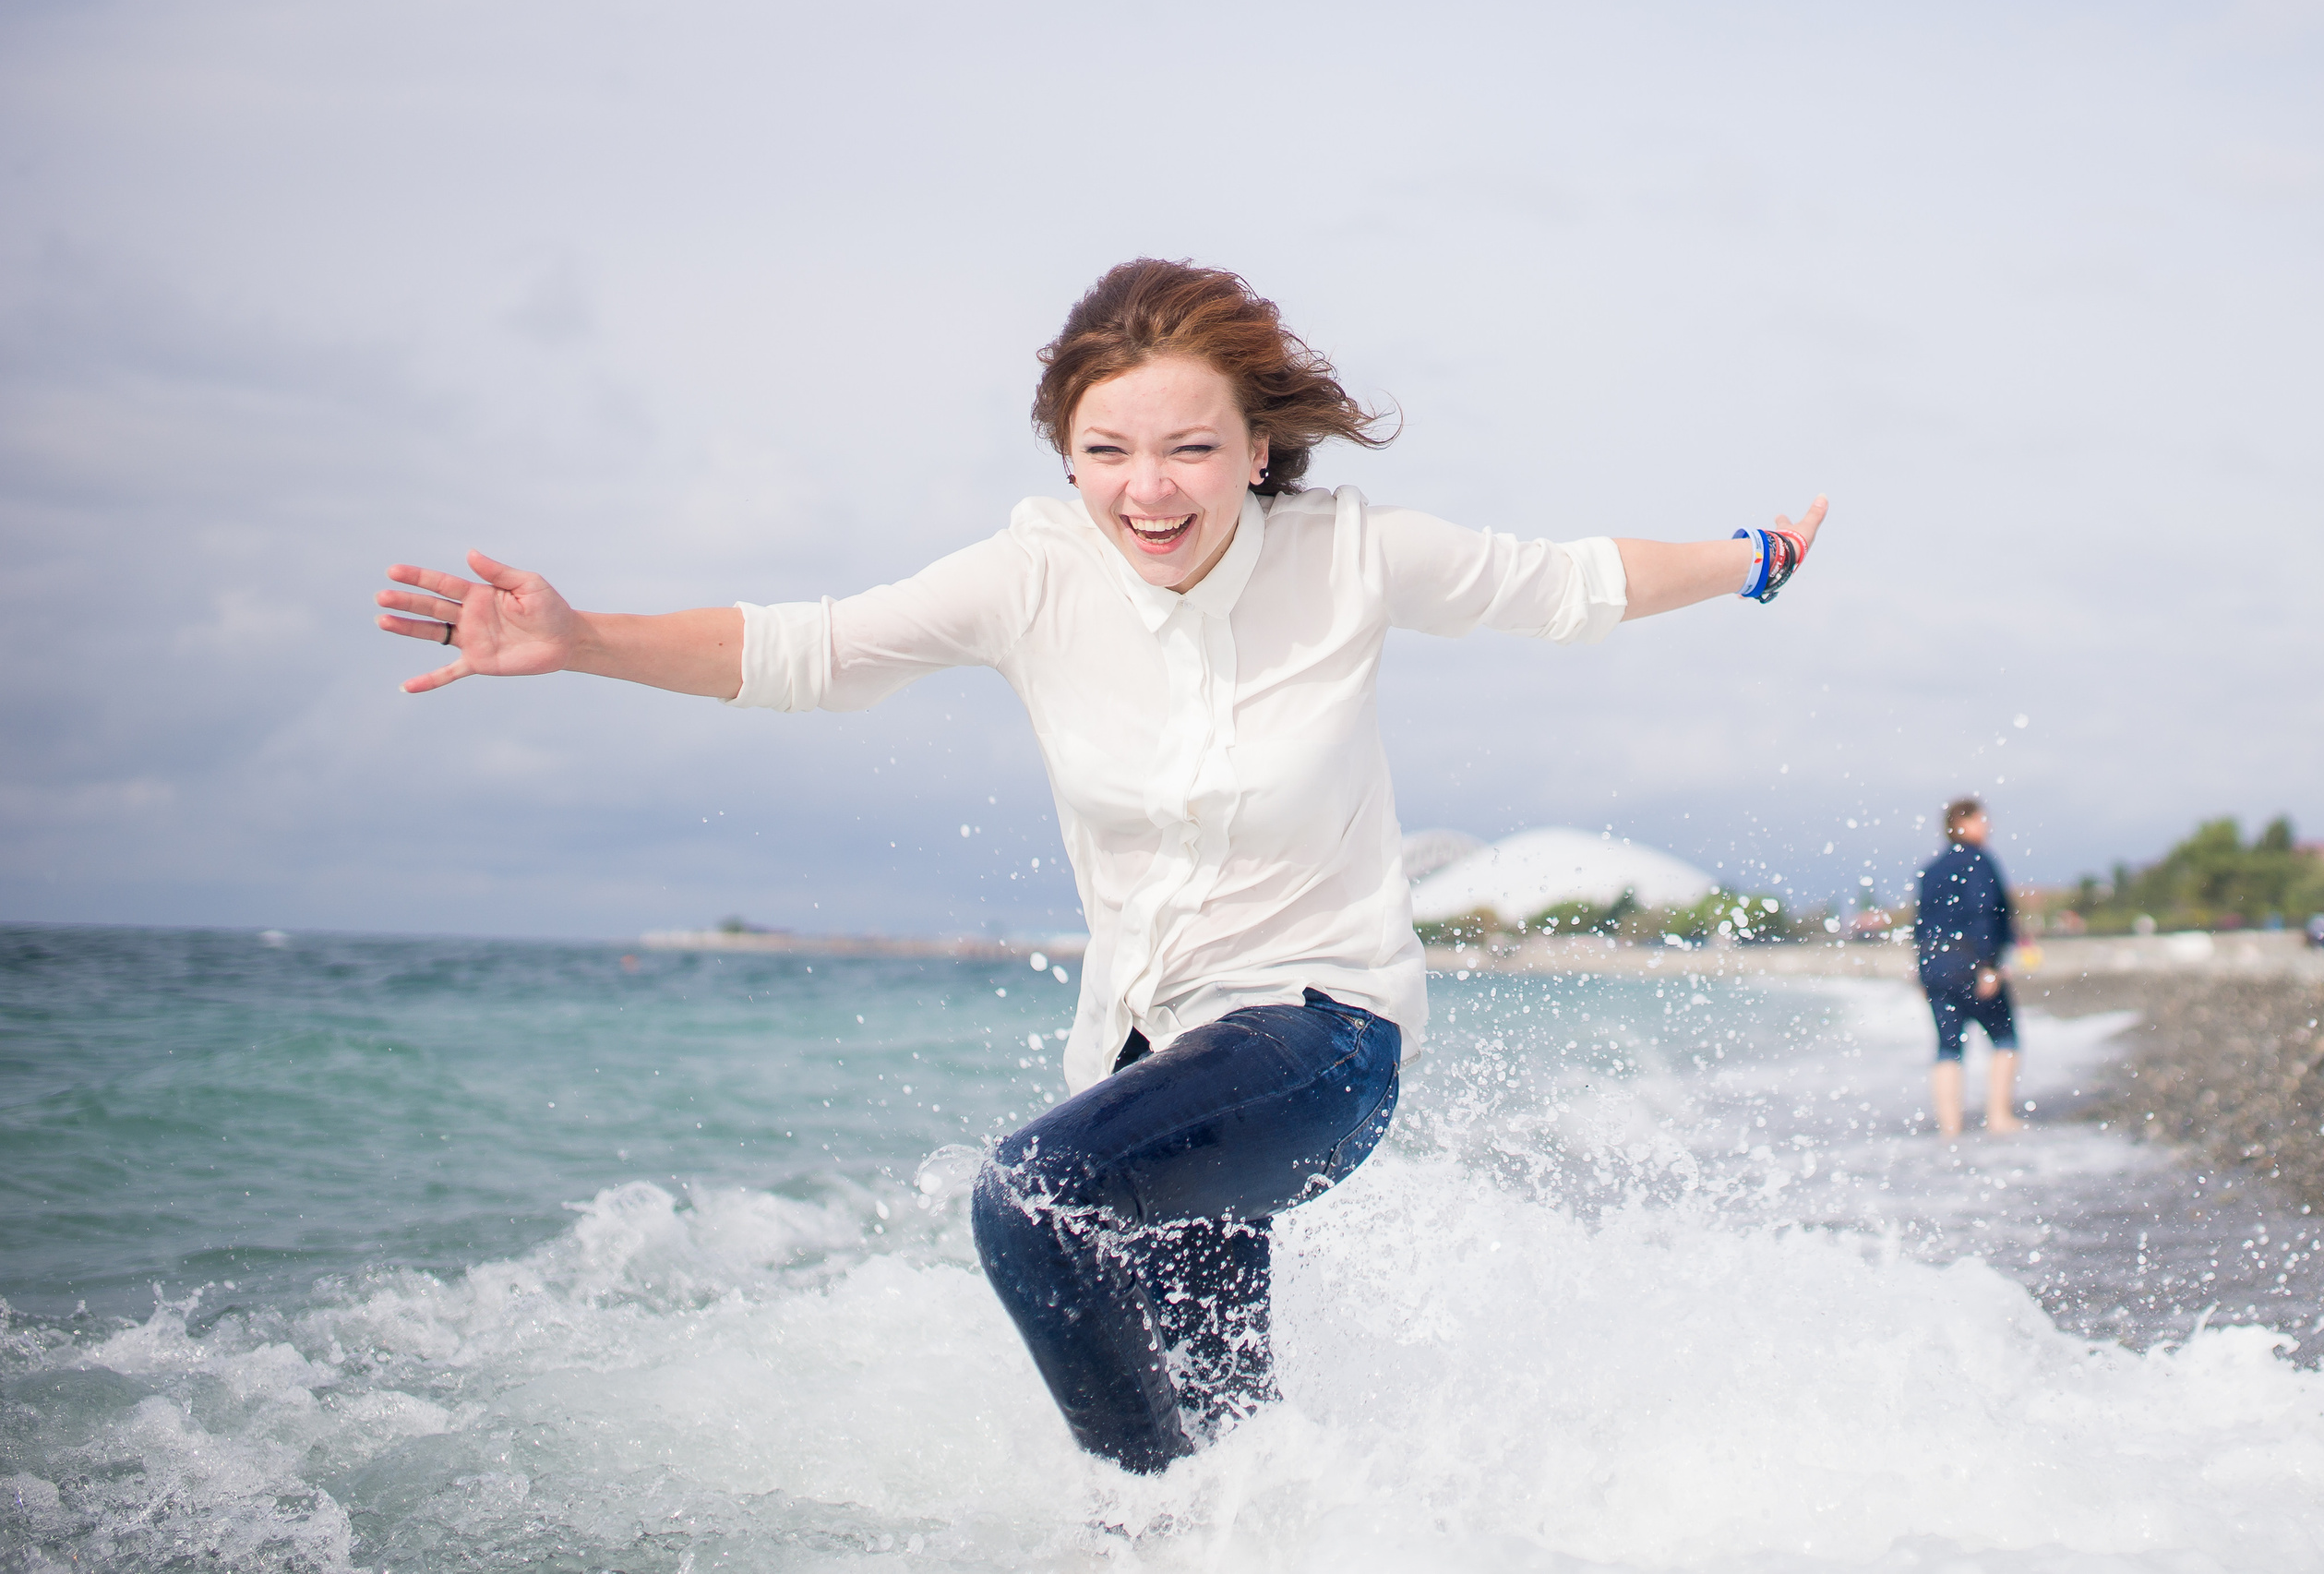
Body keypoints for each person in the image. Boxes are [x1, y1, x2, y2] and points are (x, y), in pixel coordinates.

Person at [373, 258, 1828, 1473]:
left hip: (1326, 1035)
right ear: (1066, 457)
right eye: (1107, 452)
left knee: (1033, 1199)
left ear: (1257, 448)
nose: (1149, 488)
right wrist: (581, 639)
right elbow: (805, 649)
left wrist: (1754, 554)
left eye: (1190, 447)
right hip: (1147, 1061)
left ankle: (1141, 1535)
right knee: (1234, 1433)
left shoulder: (1355, 554)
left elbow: (1575, 581)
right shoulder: (1031, 574)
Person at [1914, 797, 2022, 1138]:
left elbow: (1921, 923)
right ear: (1962, 824)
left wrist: (1921, 971)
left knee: (1948, 1045)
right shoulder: (1979, 861)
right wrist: (1989, 964)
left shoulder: (1931, 869)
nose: (1987, 827)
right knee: (2005, 1037)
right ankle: (1999, 1117)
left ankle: (1950, 1128)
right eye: (1982, 820)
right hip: (1968, 959)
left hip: (1934, 962)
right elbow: (1985, 912)